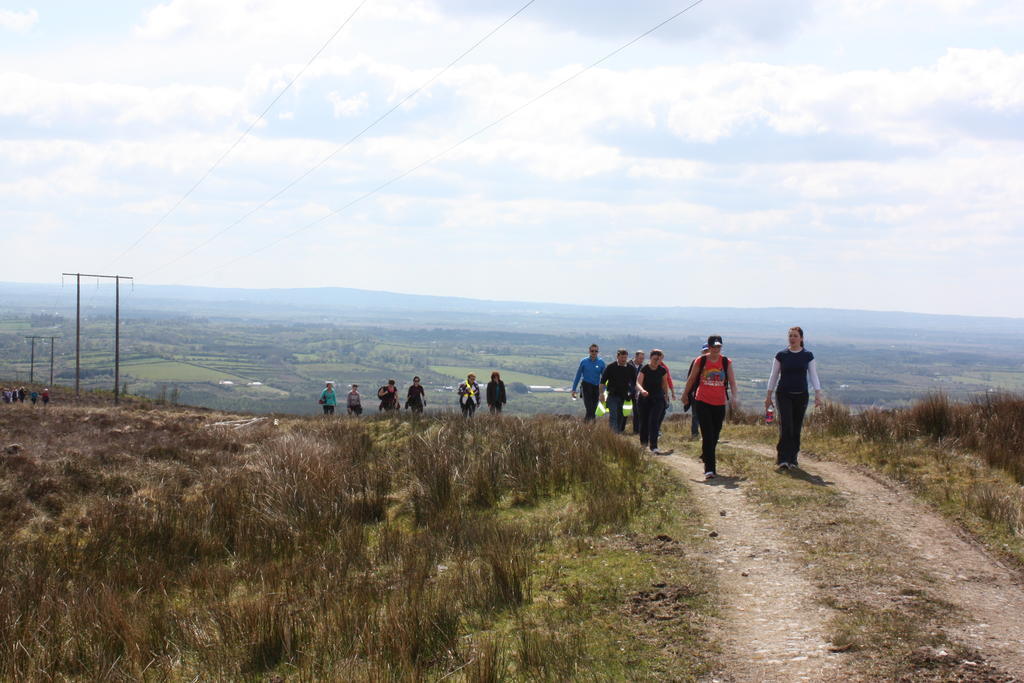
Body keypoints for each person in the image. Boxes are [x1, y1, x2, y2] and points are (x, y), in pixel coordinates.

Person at [765, 326, 823, 470]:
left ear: (801, 338)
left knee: (796, 427)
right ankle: (783, 458)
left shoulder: (808, 355)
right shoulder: (781, 355)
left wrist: (818, 394)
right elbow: (774, 375)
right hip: (783, 394)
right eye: (790, 336)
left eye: (795, 336)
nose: (792, 338)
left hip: (801, 395)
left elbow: (813, 375)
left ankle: (793, 458)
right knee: (787, 426)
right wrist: (768, 396)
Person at [683, 335, 739, 479]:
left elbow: (732, 381)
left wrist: (734, 397)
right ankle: (710, 469)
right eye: (713, 347)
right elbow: (692, 379)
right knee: (707, 434)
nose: (716, 349)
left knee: (715, 434)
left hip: (719, 402)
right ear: (708, 347)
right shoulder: (701, 360)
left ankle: (705, 454)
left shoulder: (726, 362)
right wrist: (685, 394)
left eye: (718, 346)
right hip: (702, 401)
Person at [635, 349, 673, 455]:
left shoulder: (662, 370)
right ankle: (643, 444)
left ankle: (654, 446)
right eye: (655, 359)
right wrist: (642, 391)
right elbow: (638, 383)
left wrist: (666, 396)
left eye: (659, 359)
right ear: (651, 358)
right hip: (644, 399)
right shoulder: (645, 369)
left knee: (654, 421)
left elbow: (664, 384)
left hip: (658, 399)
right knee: (644, 422)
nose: (657, 361)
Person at [600, 349, 635, 433]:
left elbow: (635, 382)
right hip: (612, 395)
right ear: (617, 357)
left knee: (620, 415)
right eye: (622, 357)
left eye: (625, 357)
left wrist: (634, 393)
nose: (623, 359)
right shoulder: (610, 367)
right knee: (613, 415)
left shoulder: (631, 368)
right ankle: (613, 434)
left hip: (624, 396)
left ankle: (618, 433)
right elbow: (602, 382)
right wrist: (601, 394)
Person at [571, 344, 606, 421]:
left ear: (598, 352)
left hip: (596, 388)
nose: (594, 352)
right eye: (592, 351)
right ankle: (590, 427)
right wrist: (573, 389)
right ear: (589, 351)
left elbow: (605, 378)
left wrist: (604, 391)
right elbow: (578, 376)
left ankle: (587, 428)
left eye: (596, 351)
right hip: (586, 386)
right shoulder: (584, 362)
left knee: (593, 409)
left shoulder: (601, 363)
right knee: (589, 408)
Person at [685, 344, 710, 439]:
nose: (706, 352)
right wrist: (688, 392)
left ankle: (708, 434)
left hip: (710, 393)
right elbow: (690, 378)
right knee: (696, 414)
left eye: (708, 350)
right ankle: (695, 434)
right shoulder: (696, 362)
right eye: (705, 351)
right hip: (696, 392)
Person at [628, 350, 645, 434]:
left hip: (636, 393)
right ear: (635, 357)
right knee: (624, 412)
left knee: (637, 411)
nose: (641, 360)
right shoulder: (628, 365)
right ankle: (620, 429)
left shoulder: (642, 368)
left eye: (643, 358)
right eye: (640, 358)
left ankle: (636, 431)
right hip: (627, 392)